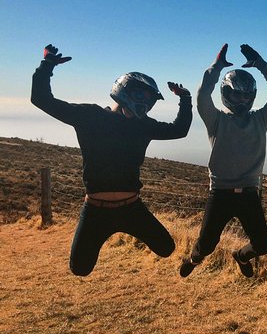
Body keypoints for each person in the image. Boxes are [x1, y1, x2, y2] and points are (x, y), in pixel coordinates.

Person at [31, 44, 193, 276]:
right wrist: (47, 65)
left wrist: (185, 99)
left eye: (150, 100)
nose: (145, 103)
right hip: (96, 210)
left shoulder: (143, 126)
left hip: (132, 208)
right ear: (124, 90)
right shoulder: (91, 116)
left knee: (167, 249)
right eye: (141, 95)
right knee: (80, 269)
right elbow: (41, 99)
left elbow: (180, 130)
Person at [180, 44, 267, 278]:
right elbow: (202, 96)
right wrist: (216, 67)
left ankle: (240, 256)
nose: (242, 99)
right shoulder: (216, 120)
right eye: (237, 94)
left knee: (262, 245)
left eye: (247, 95)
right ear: (226, 94)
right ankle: (193, 258)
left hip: (249, 193)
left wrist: (260, 63)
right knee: (206, 245)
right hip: (220, 192)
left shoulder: (261, 118)